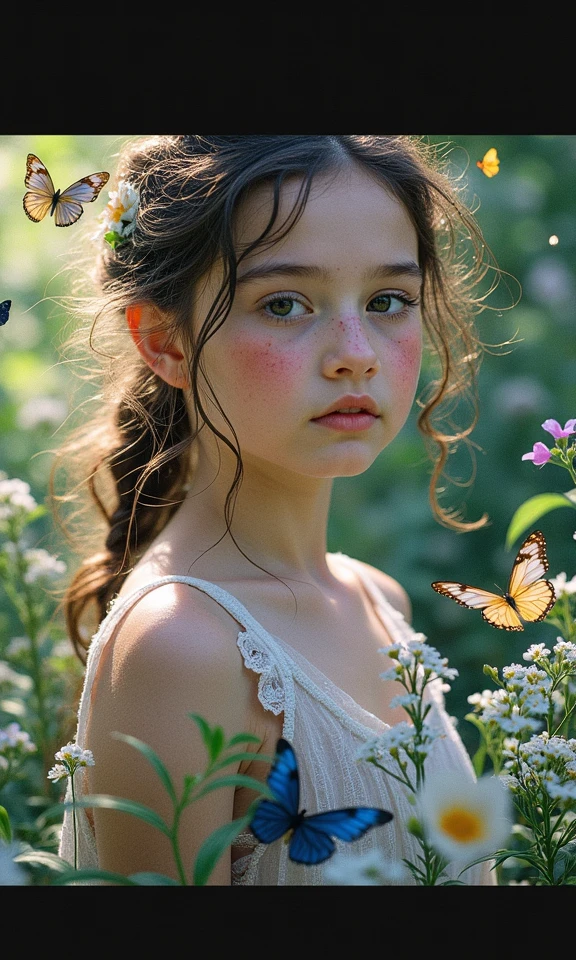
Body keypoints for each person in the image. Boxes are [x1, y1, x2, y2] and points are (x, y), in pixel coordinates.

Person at [52, 135, 506, 885]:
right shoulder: (182, 649)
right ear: (166, 341)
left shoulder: (376, 601)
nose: (354, 352)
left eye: (388, 300)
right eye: (285, 303)